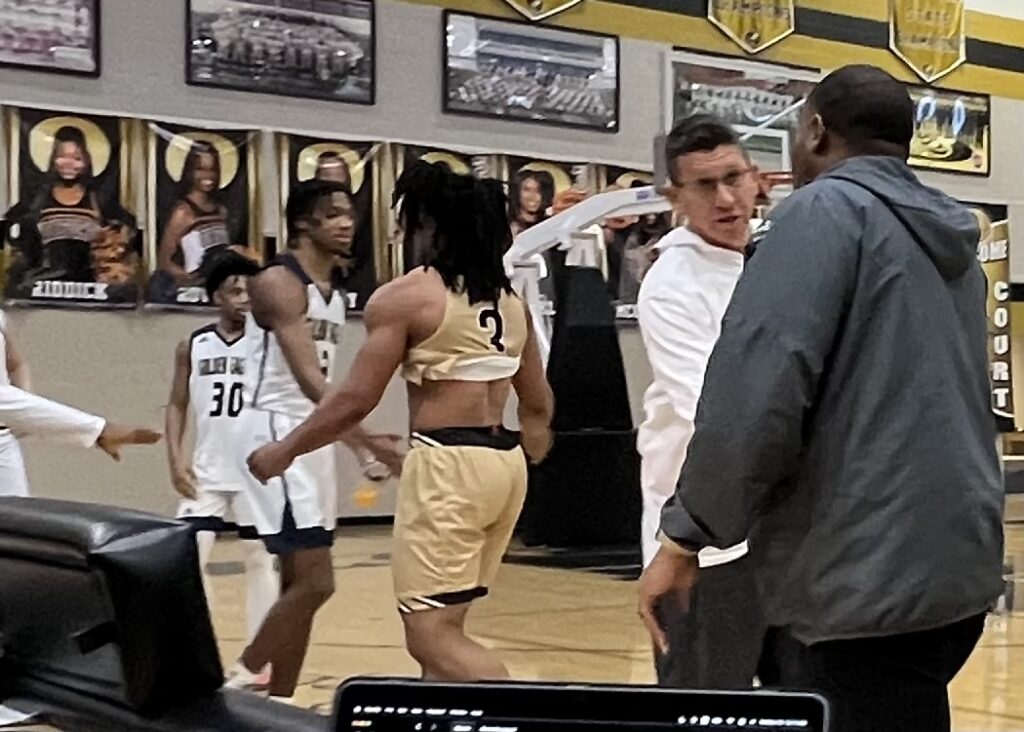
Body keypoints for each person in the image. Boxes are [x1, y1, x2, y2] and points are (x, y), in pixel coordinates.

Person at [637, 65, 1003, 732]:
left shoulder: (820, 214)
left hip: (865, 564)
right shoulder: (947, 239)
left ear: (815, 130)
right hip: (956, 555)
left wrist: (683, 538)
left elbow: (753, 402)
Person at [247, 161, 554, 681]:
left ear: (428, 227)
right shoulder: (510, 303)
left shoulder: (407, 296)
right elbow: (539, 405)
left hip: (449, 466)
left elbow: (353, 400)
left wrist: (285, 450)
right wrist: (529, 452)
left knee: (429, 636)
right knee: (446, 626)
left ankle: (525, 721)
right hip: (504, 466)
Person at [223, 178, 401, 701]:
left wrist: (350, 443)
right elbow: (308, 382)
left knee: (297, 585)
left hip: (309, 434)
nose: (346, 222)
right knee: (318, 581)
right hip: (274, 431)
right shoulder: (279, 281)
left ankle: (281, 702)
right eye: (333, 214)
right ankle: (236, 682)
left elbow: (323, 393)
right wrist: (369, 440)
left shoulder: (334, 291)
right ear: (303, 222)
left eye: (349, 214)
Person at [636, 114, 765, 689]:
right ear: (675, 197)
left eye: (733, 177)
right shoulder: (671, 285)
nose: (726, 197)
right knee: (703, 702)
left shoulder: (773, 263)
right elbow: (713, 414)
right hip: (697, 538)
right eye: (704, 186)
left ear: (756, 177)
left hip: (772, 532)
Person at [164, 251, 278, 687]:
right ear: (215, 297)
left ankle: (259, 660)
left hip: (255, 467)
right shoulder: (192, 344)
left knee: (259, 560)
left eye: (250, 289)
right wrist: (175, 458)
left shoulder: (269, 342)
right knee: (185, 563)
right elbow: (176, 405)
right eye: (234, 291)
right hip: (207, 469)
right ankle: (198, 649)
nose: (244, 298)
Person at [157, 140, 232, 284]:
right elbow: (164, 260)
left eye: (212, 169)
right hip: (195, 288)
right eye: (200, 168)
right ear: (190, 170)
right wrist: (186, 277)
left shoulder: (221, 211)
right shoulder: (183, 212)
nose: (207, 175)